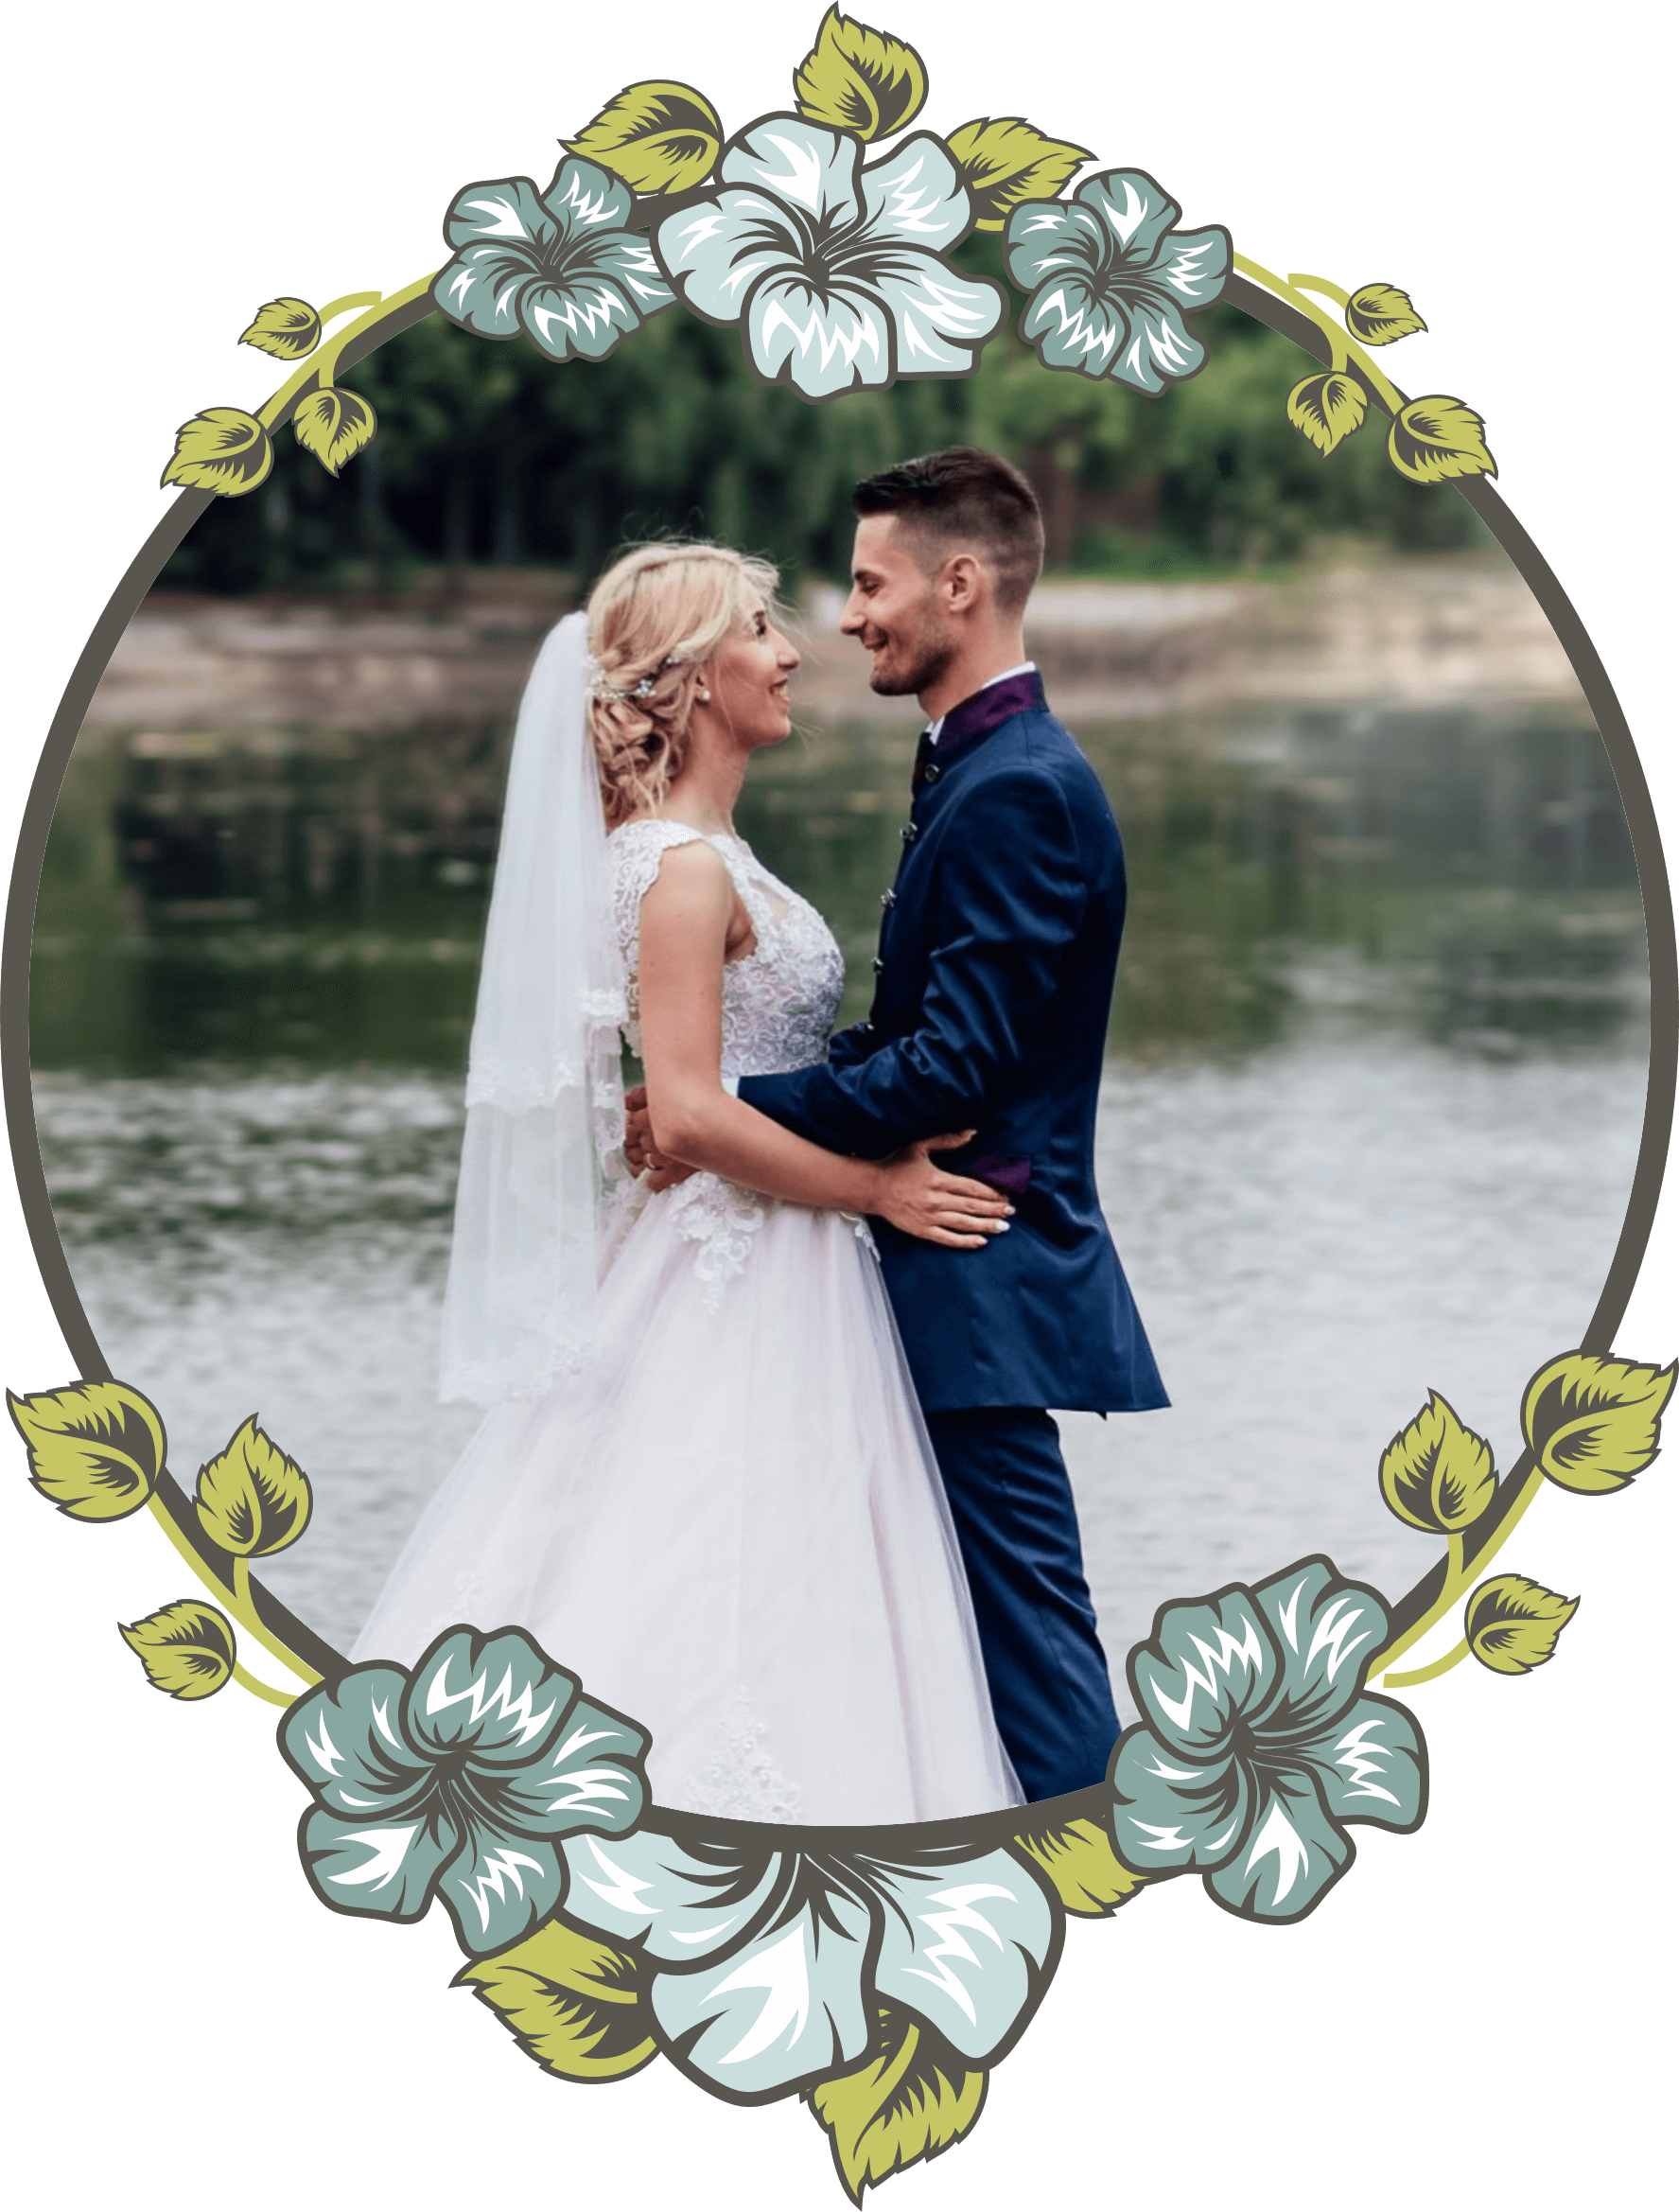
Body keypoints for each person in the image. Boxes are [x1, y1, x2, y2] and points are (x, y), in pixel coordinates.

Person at [350, 540, 1023, 1827]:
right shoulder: (681, 866)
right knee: (713, 1546)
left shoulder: (693, 849)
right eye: (760, 629)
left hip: (760, 1250)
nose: (790, 652)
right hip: (750, 1261)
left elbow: (692, 1092)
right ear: (699, 675)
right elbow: (696, 1113)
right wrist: (875, 1189)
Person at [628, 450, 1169, 1804]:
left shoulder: (1016, 786)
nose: (849, 616)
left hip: (975, 1277)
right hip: (918, 1283)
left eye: (871, 584)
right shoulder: (977, 768)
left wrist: (722, 1108)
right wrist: (712, 1105)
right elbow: (922, 1037)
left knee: (1030, 1661)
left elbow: (955, 1066)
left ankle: (1091, 1872)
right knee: (938, 1653)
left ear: (960, 583)